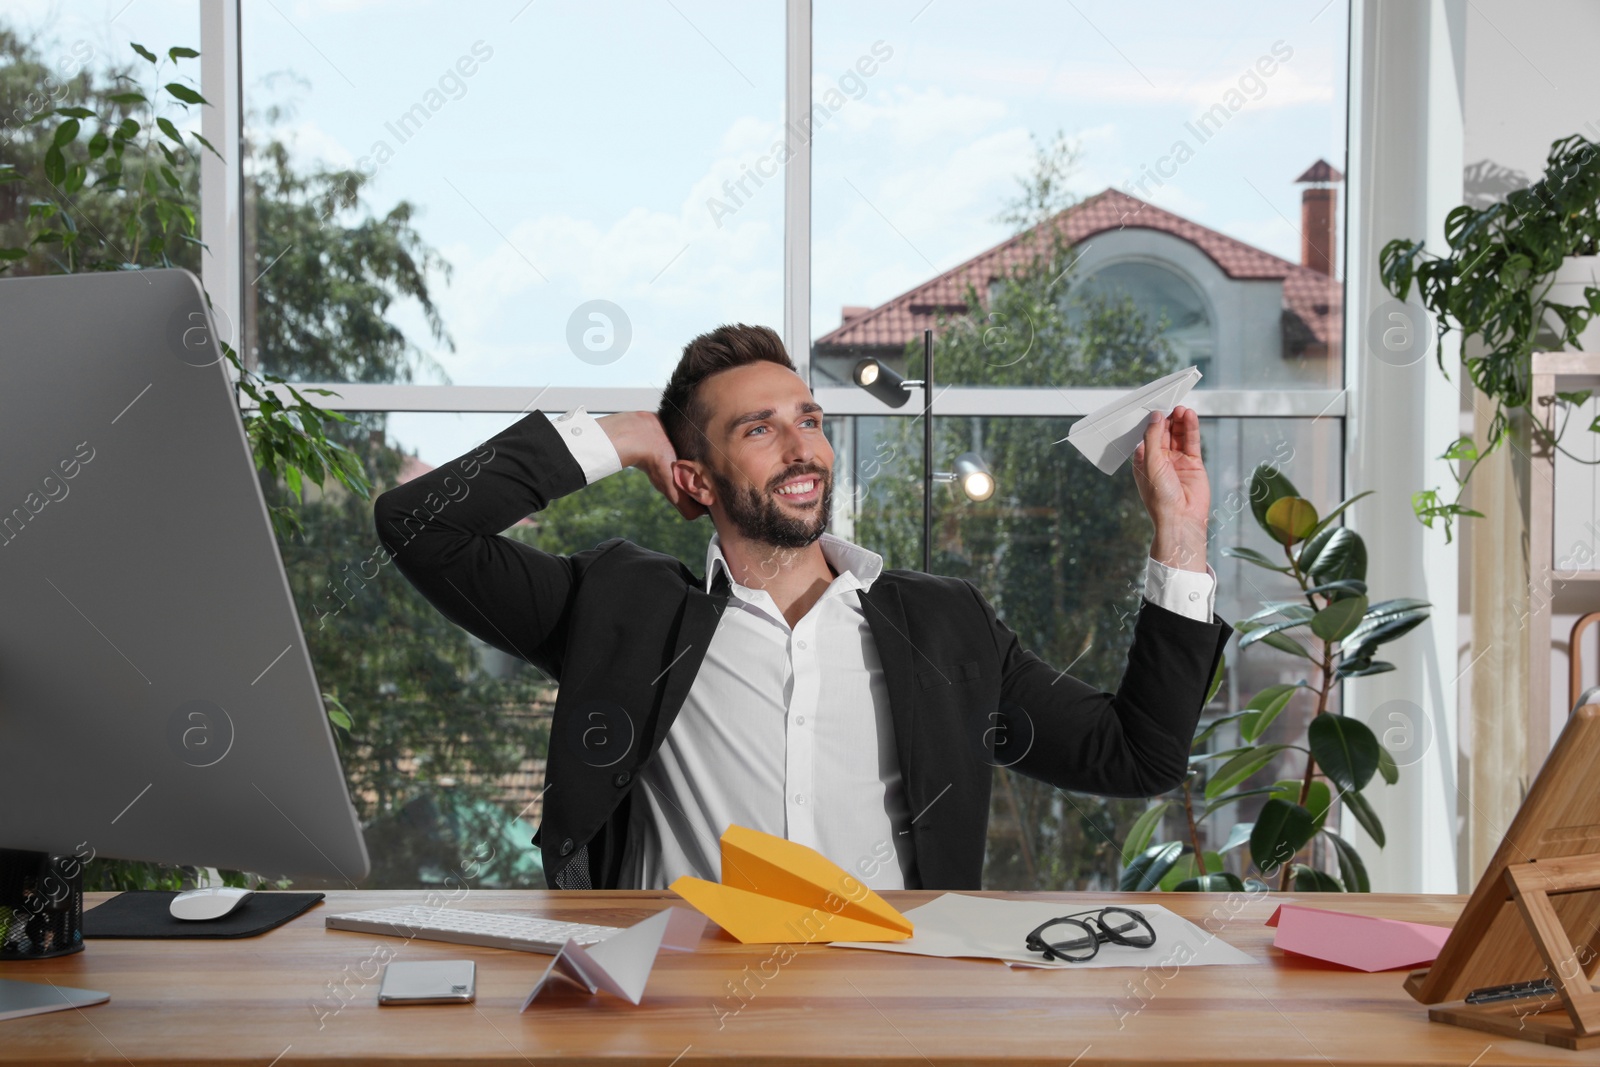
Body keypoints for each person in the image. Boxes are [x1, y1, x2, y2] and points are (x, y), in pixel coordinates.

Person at [374, 324, 1231, 891]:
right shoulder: (620, 611)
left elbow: (1138, 755)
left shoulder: (944, 625)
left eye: (809, 418)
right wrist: (622, 433)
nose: (801, 446)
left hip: (884, 1016)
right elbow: (418, 523)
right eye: (758, 429)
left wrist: (1181, 536)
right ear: (694, 478)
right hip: (673, 1017)